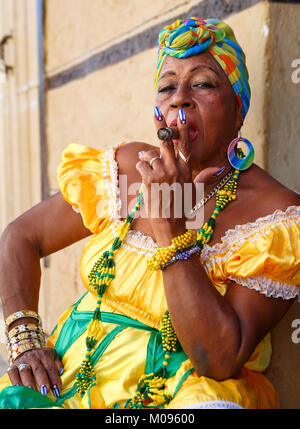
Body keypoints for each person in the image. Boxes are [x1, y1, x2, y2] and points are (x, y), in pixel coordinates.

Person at [0, 16, 299, 410]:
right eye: (167, 86)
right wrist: (25, 341)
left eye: (203, 83)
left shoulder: (276, 215)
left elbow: (219, 358)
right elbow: (20, 236)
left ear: (238, 106)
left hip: (184, 393)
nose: (180, 98)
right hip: (66, 379)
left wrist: (171, 229)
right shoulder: (129, 167)